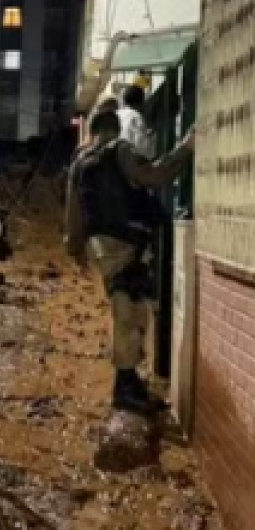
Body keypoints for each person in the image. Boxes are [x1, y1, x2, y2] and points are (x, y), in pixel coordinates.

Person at [65, 109, 193, 413]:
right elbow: (153, 175)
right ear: (115, 129)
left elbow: (73, 212)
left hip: (98, 247)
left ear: (93, 131)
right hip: (124, 243)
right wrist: (186, 148)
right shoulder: (120, 150)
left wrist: (75, 249)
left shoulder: (80, 162)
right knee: (131, 311)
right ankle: (125, 386)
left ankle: (129, 381)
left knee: (126, 309)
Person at [117, 84, 152, 153]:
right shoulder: (136, 117)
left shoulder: (117, 113)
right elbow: (141, 146)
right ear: (141, 102)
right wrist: (147, 136)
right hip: (127, 155)